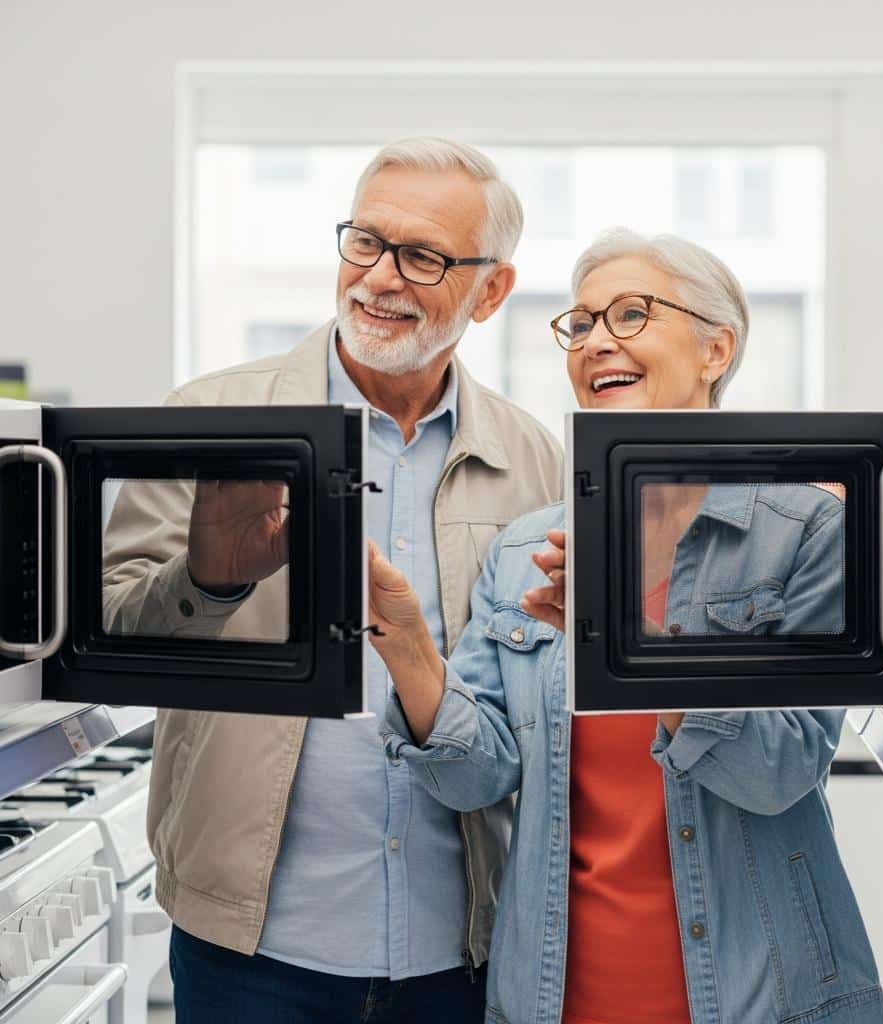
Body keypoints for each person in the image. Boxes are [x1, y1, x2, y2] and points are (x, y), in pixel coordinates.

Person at [370, 228, 883, 1024]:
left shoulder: (806, 531)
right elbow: (480, 776)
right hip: (557, 996)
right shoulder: (526, 549)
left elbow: (781, 768)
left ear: (717, 350)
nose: (596, 341)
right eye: (580, 325)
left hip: (762, 996)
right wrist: (405, 646)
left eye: (631, 314)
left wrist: (627, 639)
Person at [101, 138, 563, 1023]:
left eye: (422, 256)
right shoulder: (208, 420)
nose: (379, 277)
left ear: (491, 290)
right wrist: (209, 581)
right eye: (365, 241)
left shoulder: (533, 460)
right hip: (252, 952)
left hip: (459, 950)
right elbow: (116, 640)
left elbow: (535, 704)